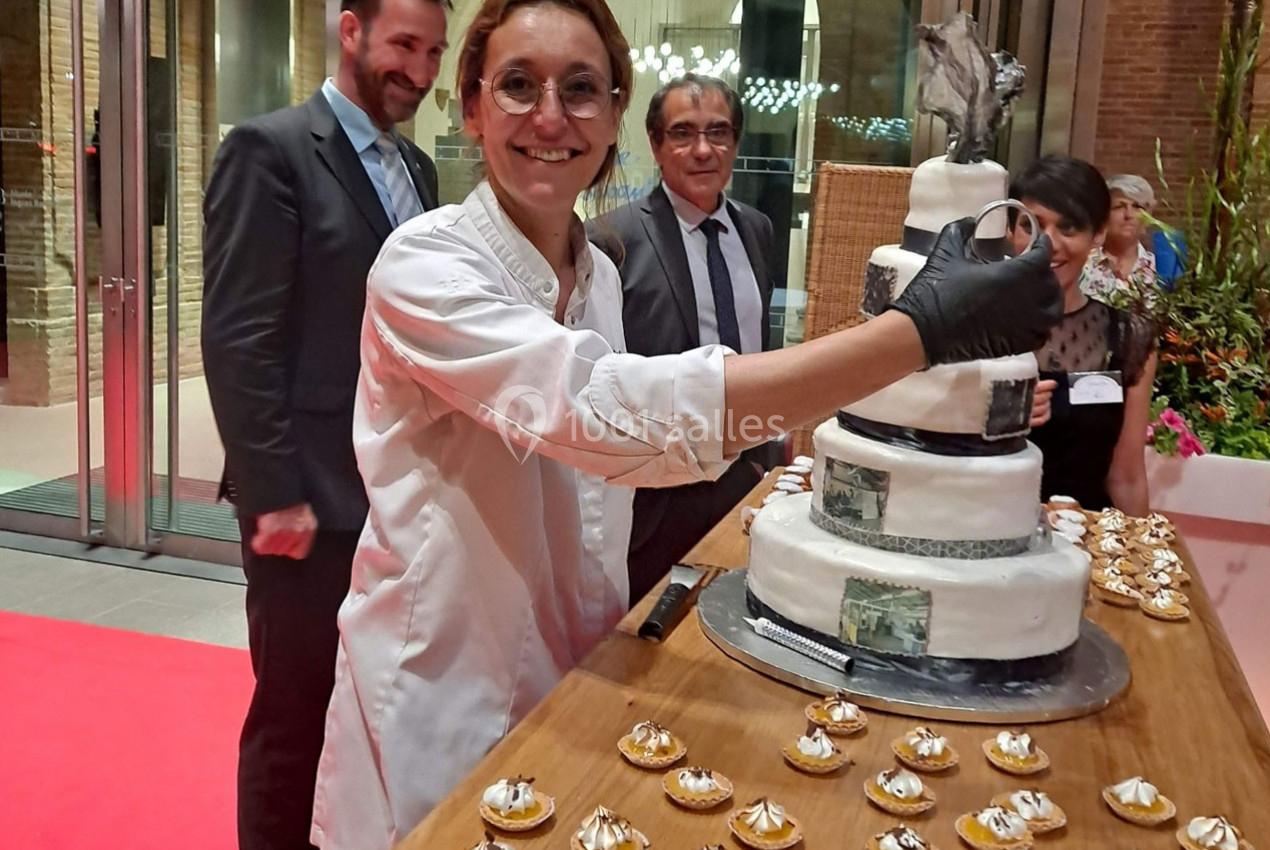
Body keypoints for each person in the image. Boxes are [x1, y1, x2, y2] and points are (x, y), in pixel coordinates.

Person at [308, 1, 1061, 846]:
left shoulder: (594, 273)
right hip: (438, 689)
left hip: (576, 675)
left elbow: (634, 466)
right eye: (518, 85)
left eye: (582, 88)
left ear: (614, 114)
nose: (551, 116)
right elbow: (606, 415)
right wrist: (915, 334)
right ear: (474, 108)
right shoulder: (426, 264)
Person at [200, 0, 447, 847]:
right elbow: (239, 337)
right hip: (305, 503)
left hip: (395, 495)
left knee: (371, 704)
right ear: (351, 31)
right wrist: (273, 494)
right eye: (404, 45)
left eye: (434, 51)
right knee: (294, 715)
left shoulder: (418, 167)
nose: (419, 70)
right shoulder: (270, 151)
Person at [587, 73, 776, 605]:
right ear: (655, 143)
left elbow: (757, 345)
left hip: (743, 477)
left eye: (718, 132)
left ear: (735, 142)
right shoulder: (611, 239)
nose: (702, 150)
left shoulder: (757, 230)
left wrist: (759, 459)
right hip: (655, 501)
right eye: (682, 133)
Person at [1010, 156, 1156, 514]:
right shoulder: (970, 327)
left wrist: (1138, 557)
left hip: (1083, 546)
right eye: (1032, 225)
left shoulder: (1128, 338)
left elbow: (1126, 476)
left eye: (1069, 228)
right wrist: (993, 417)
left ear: (1098, 235)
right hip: (987, 539)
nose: (1048, 244)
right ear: (1010, 229)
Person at [1078, 173, 1160, 305]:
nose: (1129, 215)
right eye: (1119, 207)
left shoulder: (1159, 267)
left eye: (1137, 207)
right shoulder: (1081, 264)